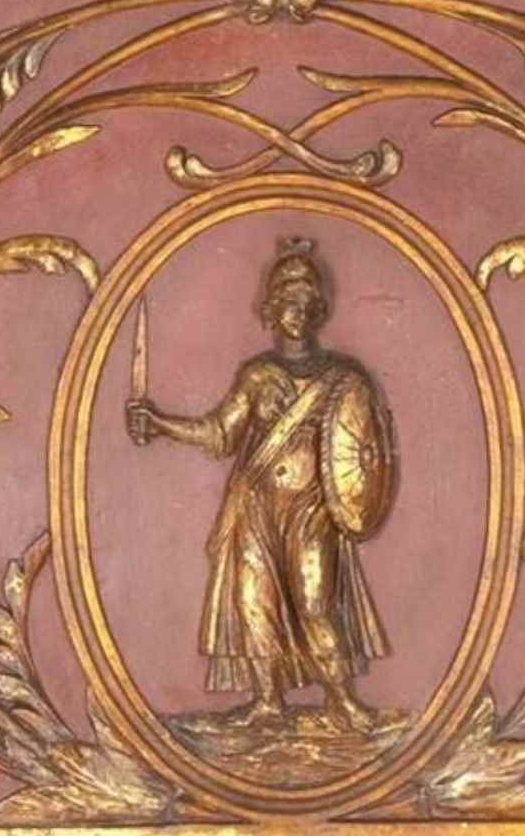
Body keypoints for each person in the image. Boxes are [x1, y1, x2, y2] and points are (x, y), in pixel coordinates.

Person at [126, 237, 397, 730]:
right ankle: (268, 701)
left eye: (306, 300)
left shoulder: (342, 378)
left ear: (319, 309)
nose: (298, 309)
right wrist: (160, 423)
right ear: (270, 309)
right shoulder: (256, 375)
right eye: (287, 299)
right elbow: (219, 434)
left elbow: (363, 449)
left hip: (312, 509)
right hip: (254, 507)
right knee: (256, 603)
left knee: (316, 602)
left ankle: (342, 699)